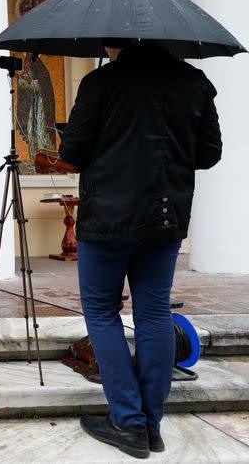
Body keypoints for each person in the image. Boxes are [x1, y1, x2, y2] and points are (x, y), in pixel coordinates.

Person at [60, 40, 222, 458]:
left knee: (101, 312)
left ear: (116, 41)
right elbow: (209, 153)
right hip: (166, 217)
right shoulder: (195, 83)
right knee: (152, 313)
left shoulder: (100, 83)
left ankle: (128, 422)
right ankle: (151, 425)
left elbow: (72, 151)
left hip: (105, 221)